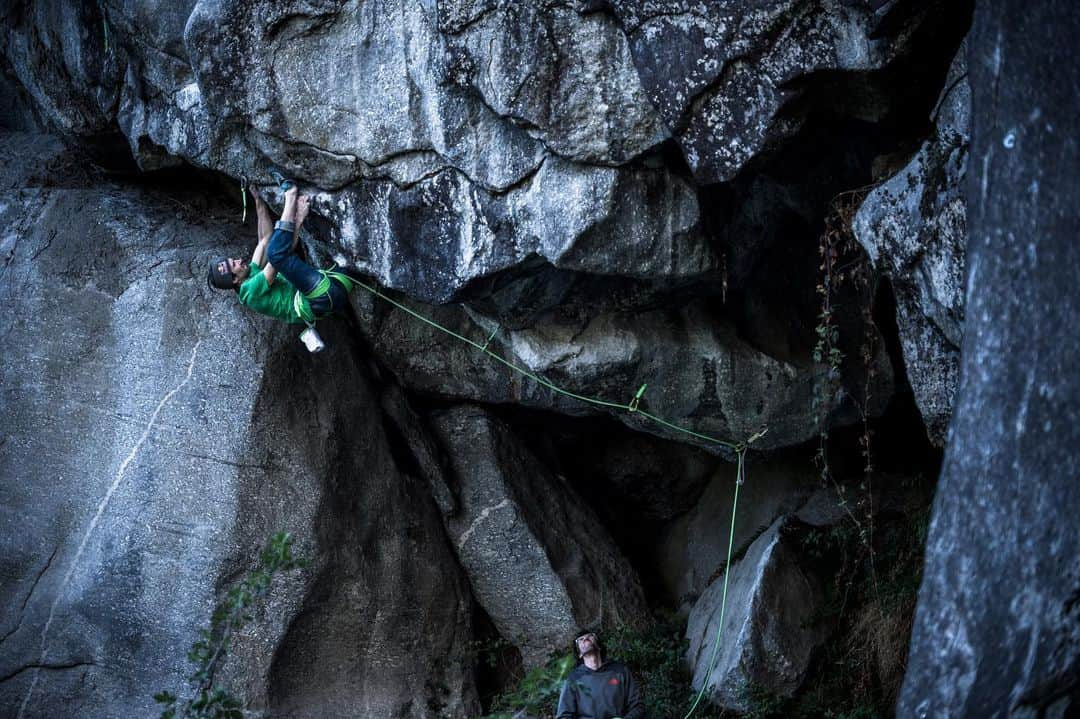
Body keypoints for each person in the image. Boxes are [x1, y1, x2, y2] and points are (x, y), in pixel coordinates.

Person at [207, 175, 353, 327]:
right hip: (320, 298)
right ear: (235, 280)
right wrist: (296, 218)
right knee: (275, 254)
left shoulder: (251, 273)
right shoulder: (249, 293)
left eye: (233, 259)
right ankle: (290, 194)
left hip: (336, 286)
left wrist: (258, 200)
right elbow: (277, 258)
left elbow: (264, 239)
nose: (239, 260)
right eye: (234, 265)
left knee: (355, 259)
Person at [556, 630, 645, 719]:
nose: (585, 639)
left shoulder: (620, 671)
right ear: (579, 654)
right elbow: (564, 716)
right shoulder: (573, 679)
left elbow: (638, 706)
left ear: (599, 646)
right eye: (580, 639)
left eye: (590, 636)